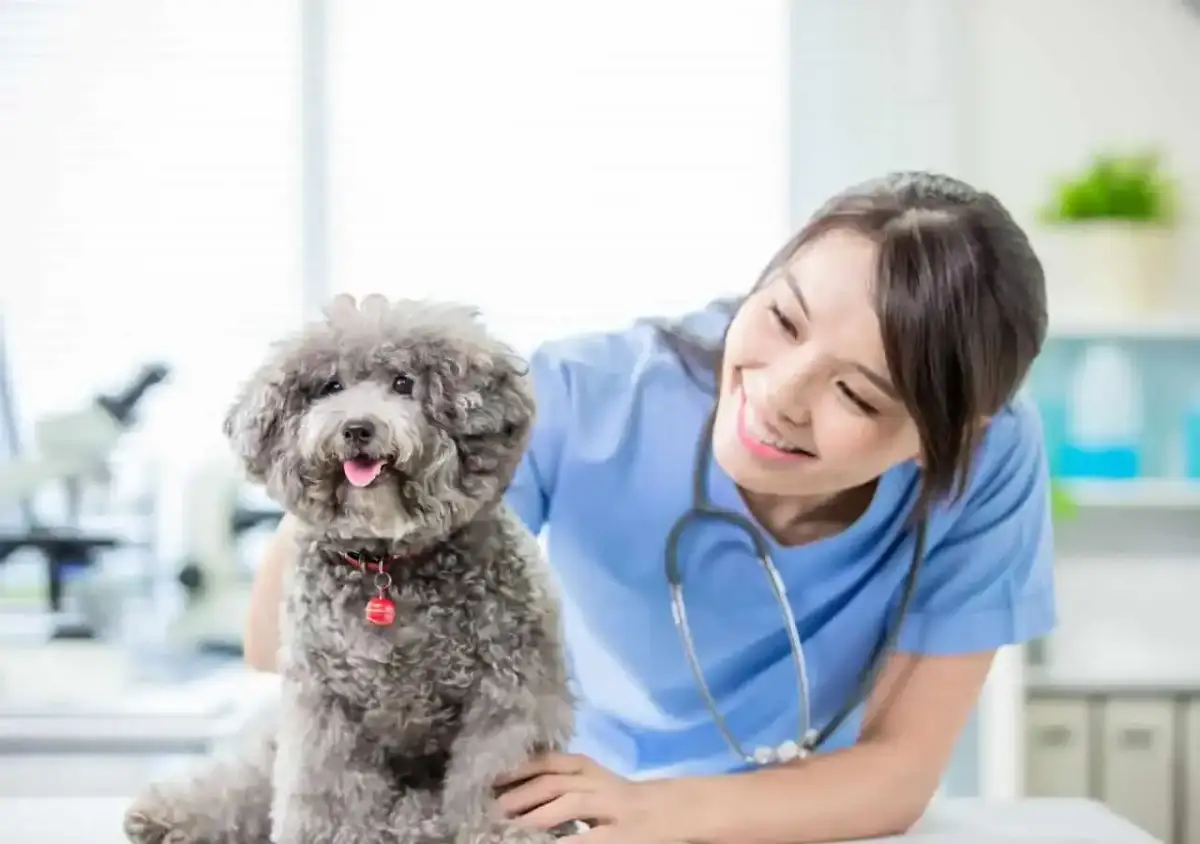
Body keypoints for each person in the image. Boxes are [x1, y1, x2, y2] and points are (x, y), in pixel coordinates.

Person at [244, 171, 1056, 844]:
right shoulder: (586, 396)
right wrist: (361, 430)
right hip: (567, 805)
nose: (781, 394)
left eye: (856, 393)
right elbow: (275, 641)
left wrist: (665, 811)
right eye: (781, 318)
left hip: (799, 821)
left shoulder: (988, 462)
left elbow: (899, 773)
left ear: (950, 434)